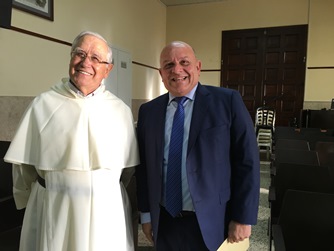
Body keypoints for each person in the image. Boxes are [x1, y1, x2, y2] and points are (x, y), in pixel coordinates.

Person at [4, 31, 139, 251]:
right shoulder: (43, 104)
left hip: (106, 210)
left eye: (96, 58)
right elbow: (23, 168)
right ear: (70, 58)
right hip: (54, 208)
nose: (85, 62)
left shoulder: (120, 111)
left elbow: (127, 170)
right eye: (79, 54)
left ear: (108, 69)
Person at [135, 41, 260, 251]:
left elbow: (247, 162)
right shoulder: (148, 111)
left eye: (184, 62)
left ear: (198, 67)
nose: (177, 70)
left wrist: (243, 218)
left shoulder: (227, 102)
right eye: (168, 65)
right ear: (161, 73)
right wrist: (146, 215)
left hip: (214, 221)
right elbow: (143, 169)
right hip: (165, 221)